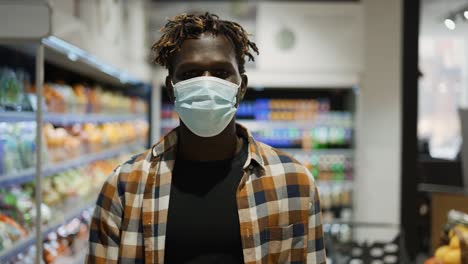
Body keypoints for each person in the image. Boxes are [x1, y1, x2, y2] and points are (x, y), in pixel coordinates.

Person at [87, 12, 326, 264]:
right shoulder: (125, 186)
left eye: (221, 73)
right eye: (191, 74)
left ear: (241, 87)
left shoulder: (293, 181)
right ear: (171, 89)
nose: (207, 85)